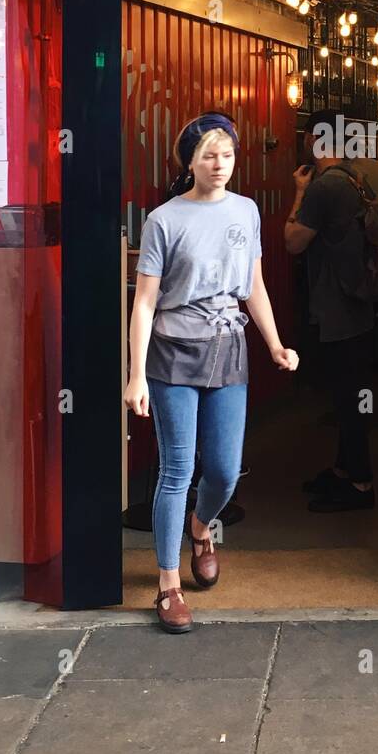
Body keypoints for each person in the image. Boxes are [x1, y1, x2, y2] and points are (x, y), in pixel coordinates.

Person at [125, 112, 299, 633]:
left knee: (224, 470)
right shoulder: (165, 220)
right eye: (208, 155)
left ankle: (201, 529)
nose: (219, 164)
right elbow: (144, 303)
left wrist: (274, 344)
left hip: (229, 349)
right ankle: (168, 584)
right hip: (174, 352)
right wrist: (136, 375)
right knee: (177, 470)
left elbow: (254, 286)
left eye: (226, 154)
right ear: (190, 162)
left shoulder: (246, 212)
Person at [285, 108, 377, 513]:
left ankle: (360, 484)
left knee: (347, 396)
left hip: (339, 306)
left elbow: (293, 242)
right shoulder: (355, 177)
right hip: (357, 300)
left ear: (313, 138)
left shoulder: (323, 188)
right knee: (350, 393)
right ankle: (345, 471)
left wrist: (299, 191)